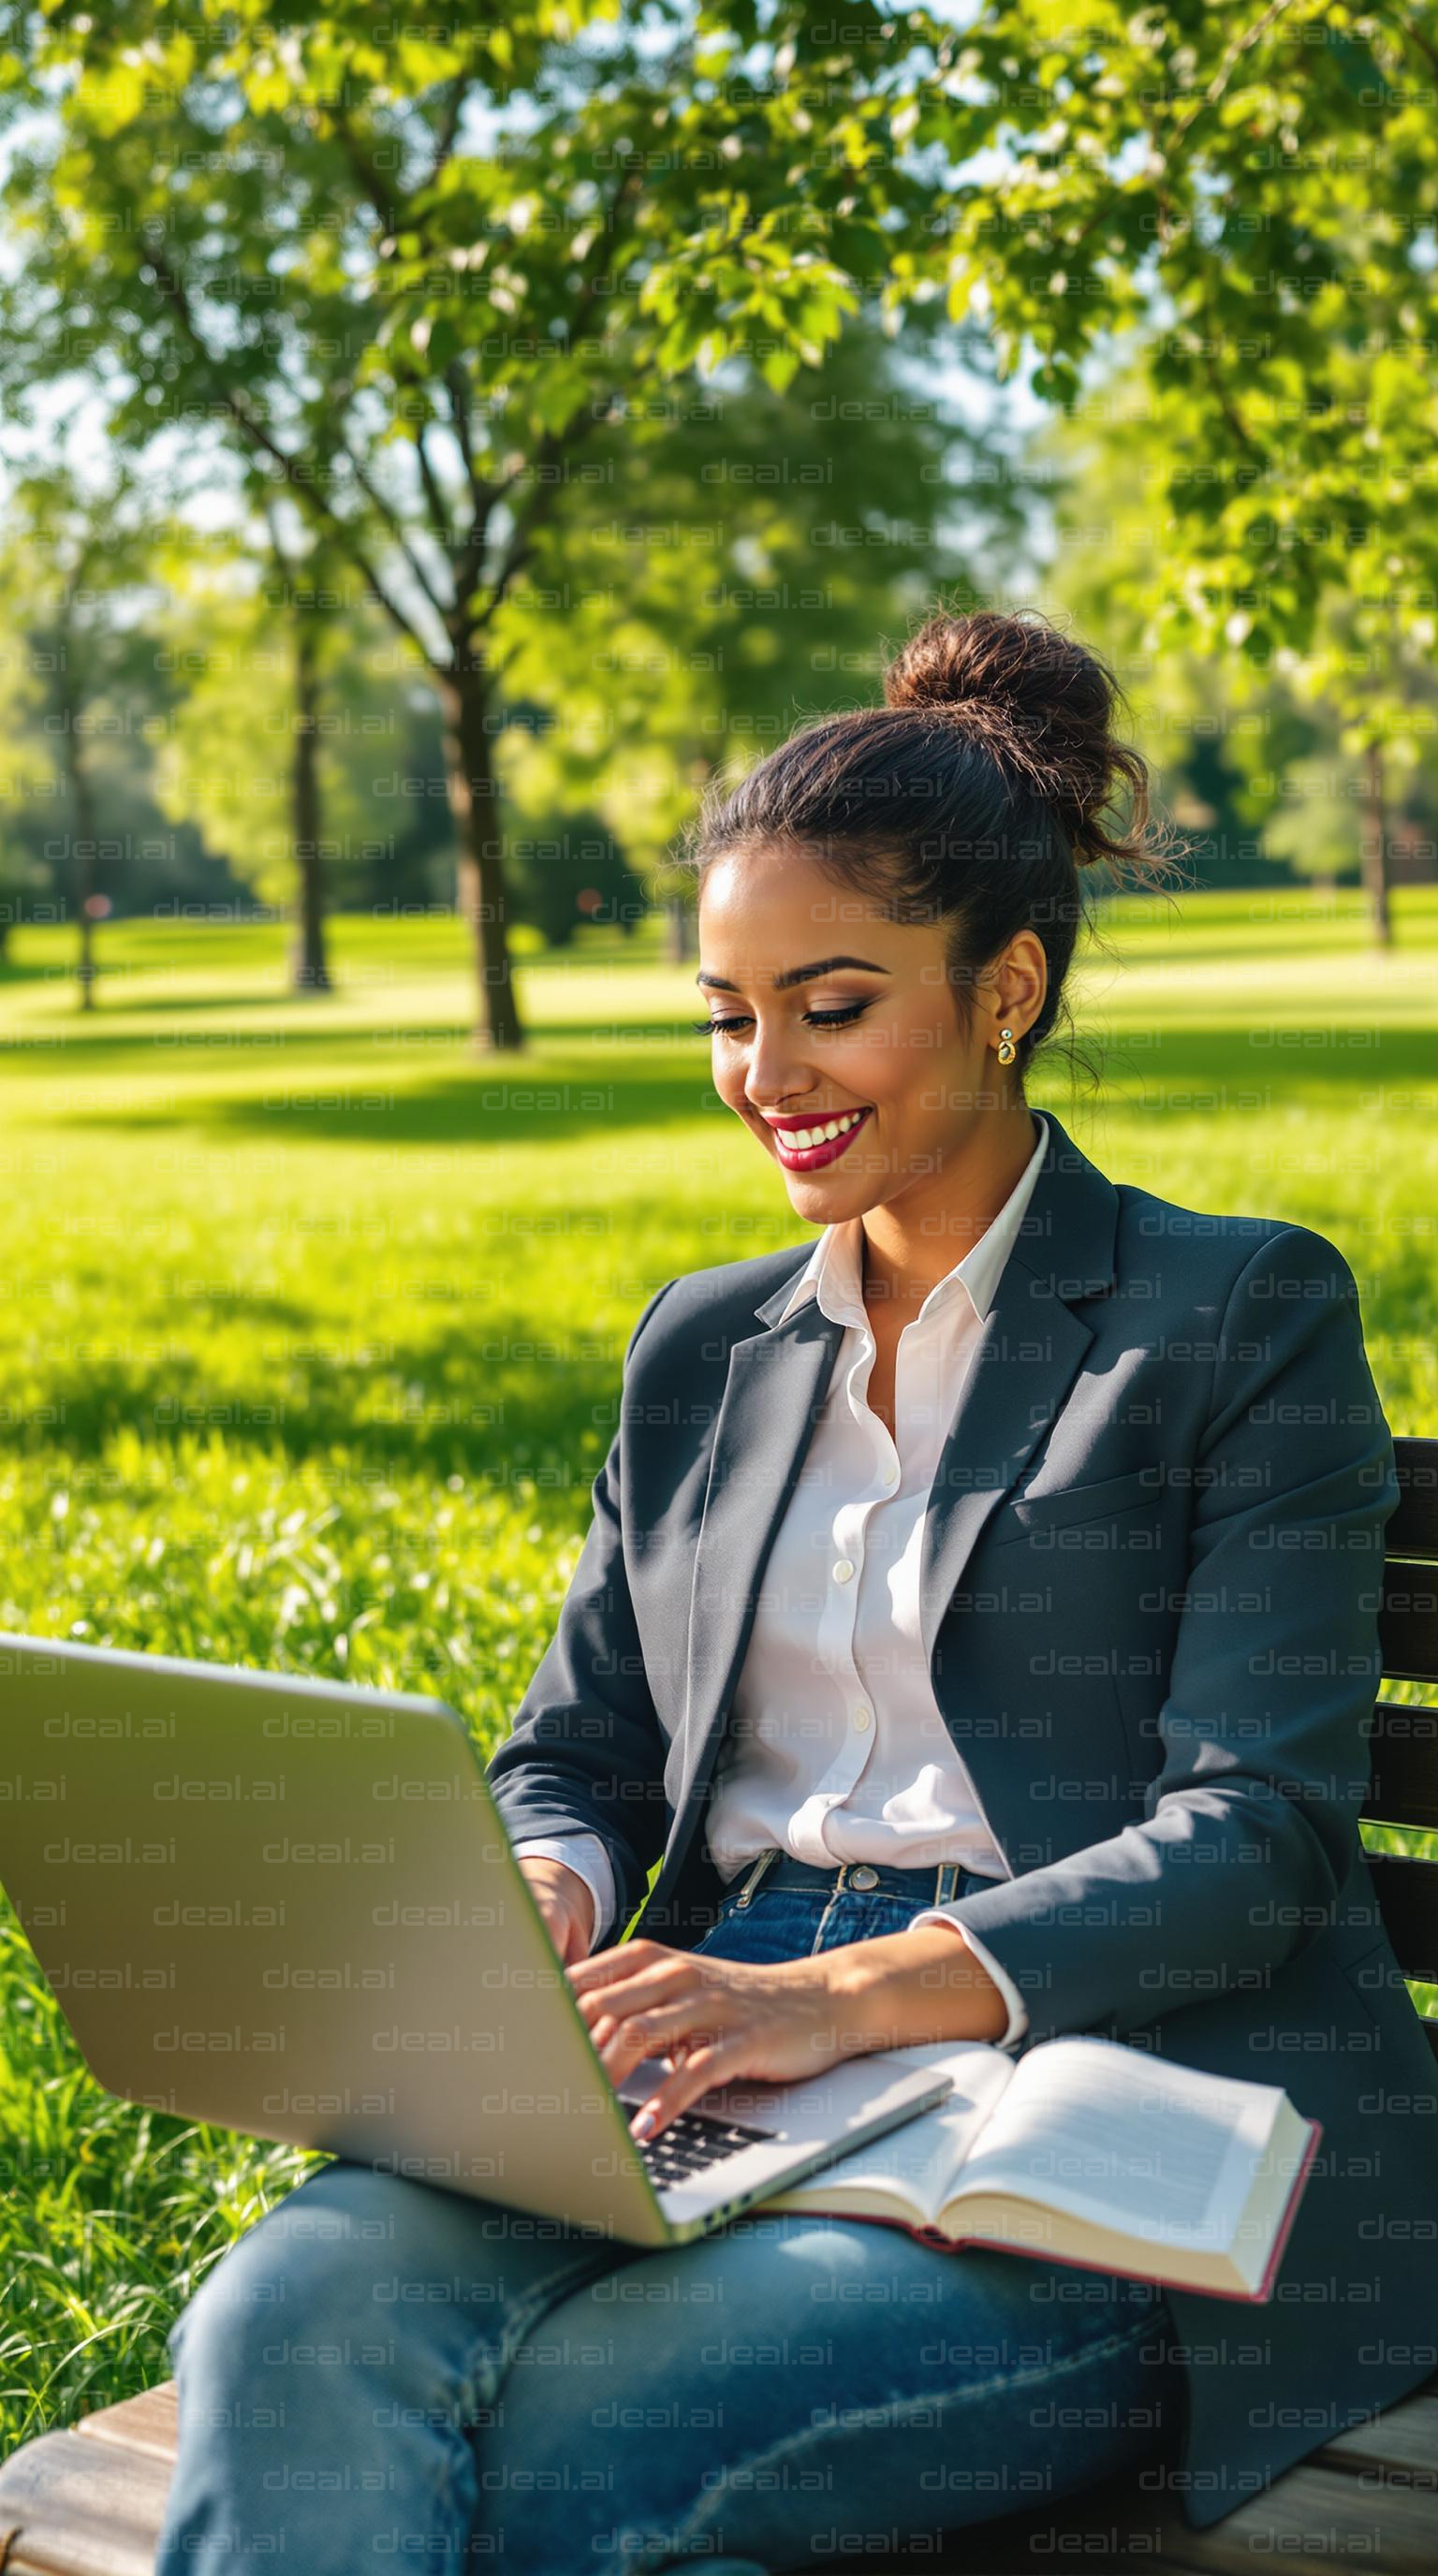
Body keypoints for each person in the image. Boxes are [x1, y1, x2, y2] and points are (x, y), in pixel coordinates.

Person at [155, 609, 1438, 2574]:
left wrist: (825, 1996)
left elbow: (1253, 1838)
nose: (765, 1073)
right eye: (726, 1009)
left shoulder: (1230, 1314)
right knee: (277, 2321)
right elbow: (577, 1745)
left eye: (830, 1005)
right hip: (695, 2046)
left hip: (1087, 2101)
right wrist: (545, 1892)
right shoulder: (706, 1344)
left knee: (582, 2444)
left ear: (1006, 988)